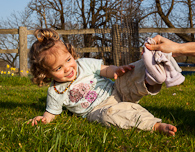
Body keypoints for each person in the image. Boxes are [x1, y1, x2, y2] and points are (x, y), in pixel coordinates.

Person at [27, 29, 184, 136]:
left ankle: (154, 68)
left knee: (128, 73)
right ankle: (154, 125)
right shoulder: (55, 91)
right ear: (46, 73)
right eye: (59, 68)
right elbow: (51, 113)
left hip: (116, 90)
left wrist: (116, 70)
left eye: (68, 60)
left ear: (71, 53)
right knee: (111, 117)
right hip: (97, 110)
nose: (68, 68)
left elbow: (105, 70)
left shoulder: (83, 64)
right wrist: (44, 119)